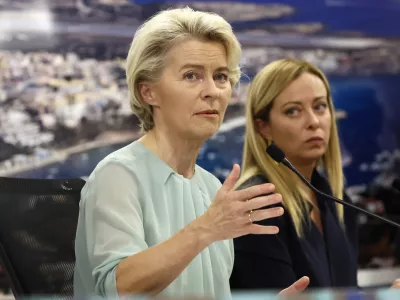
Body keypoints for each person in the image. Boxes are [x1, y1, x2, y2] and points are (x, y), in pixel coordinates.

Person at [73, 8, 309, 299]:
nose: (212, 91)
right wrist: (205, 229)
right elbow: (119, 288)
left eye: (221, 76)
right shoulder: (118, 176)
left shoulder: (211, 187)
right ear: (148, 92)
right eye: (191, 76)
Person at [229, 58, 400, 291]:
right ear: (263, 127)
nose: (313, 122)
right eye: (293, 111)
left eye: (320, 106)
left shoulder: (339, 203)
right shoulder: (257, 207)